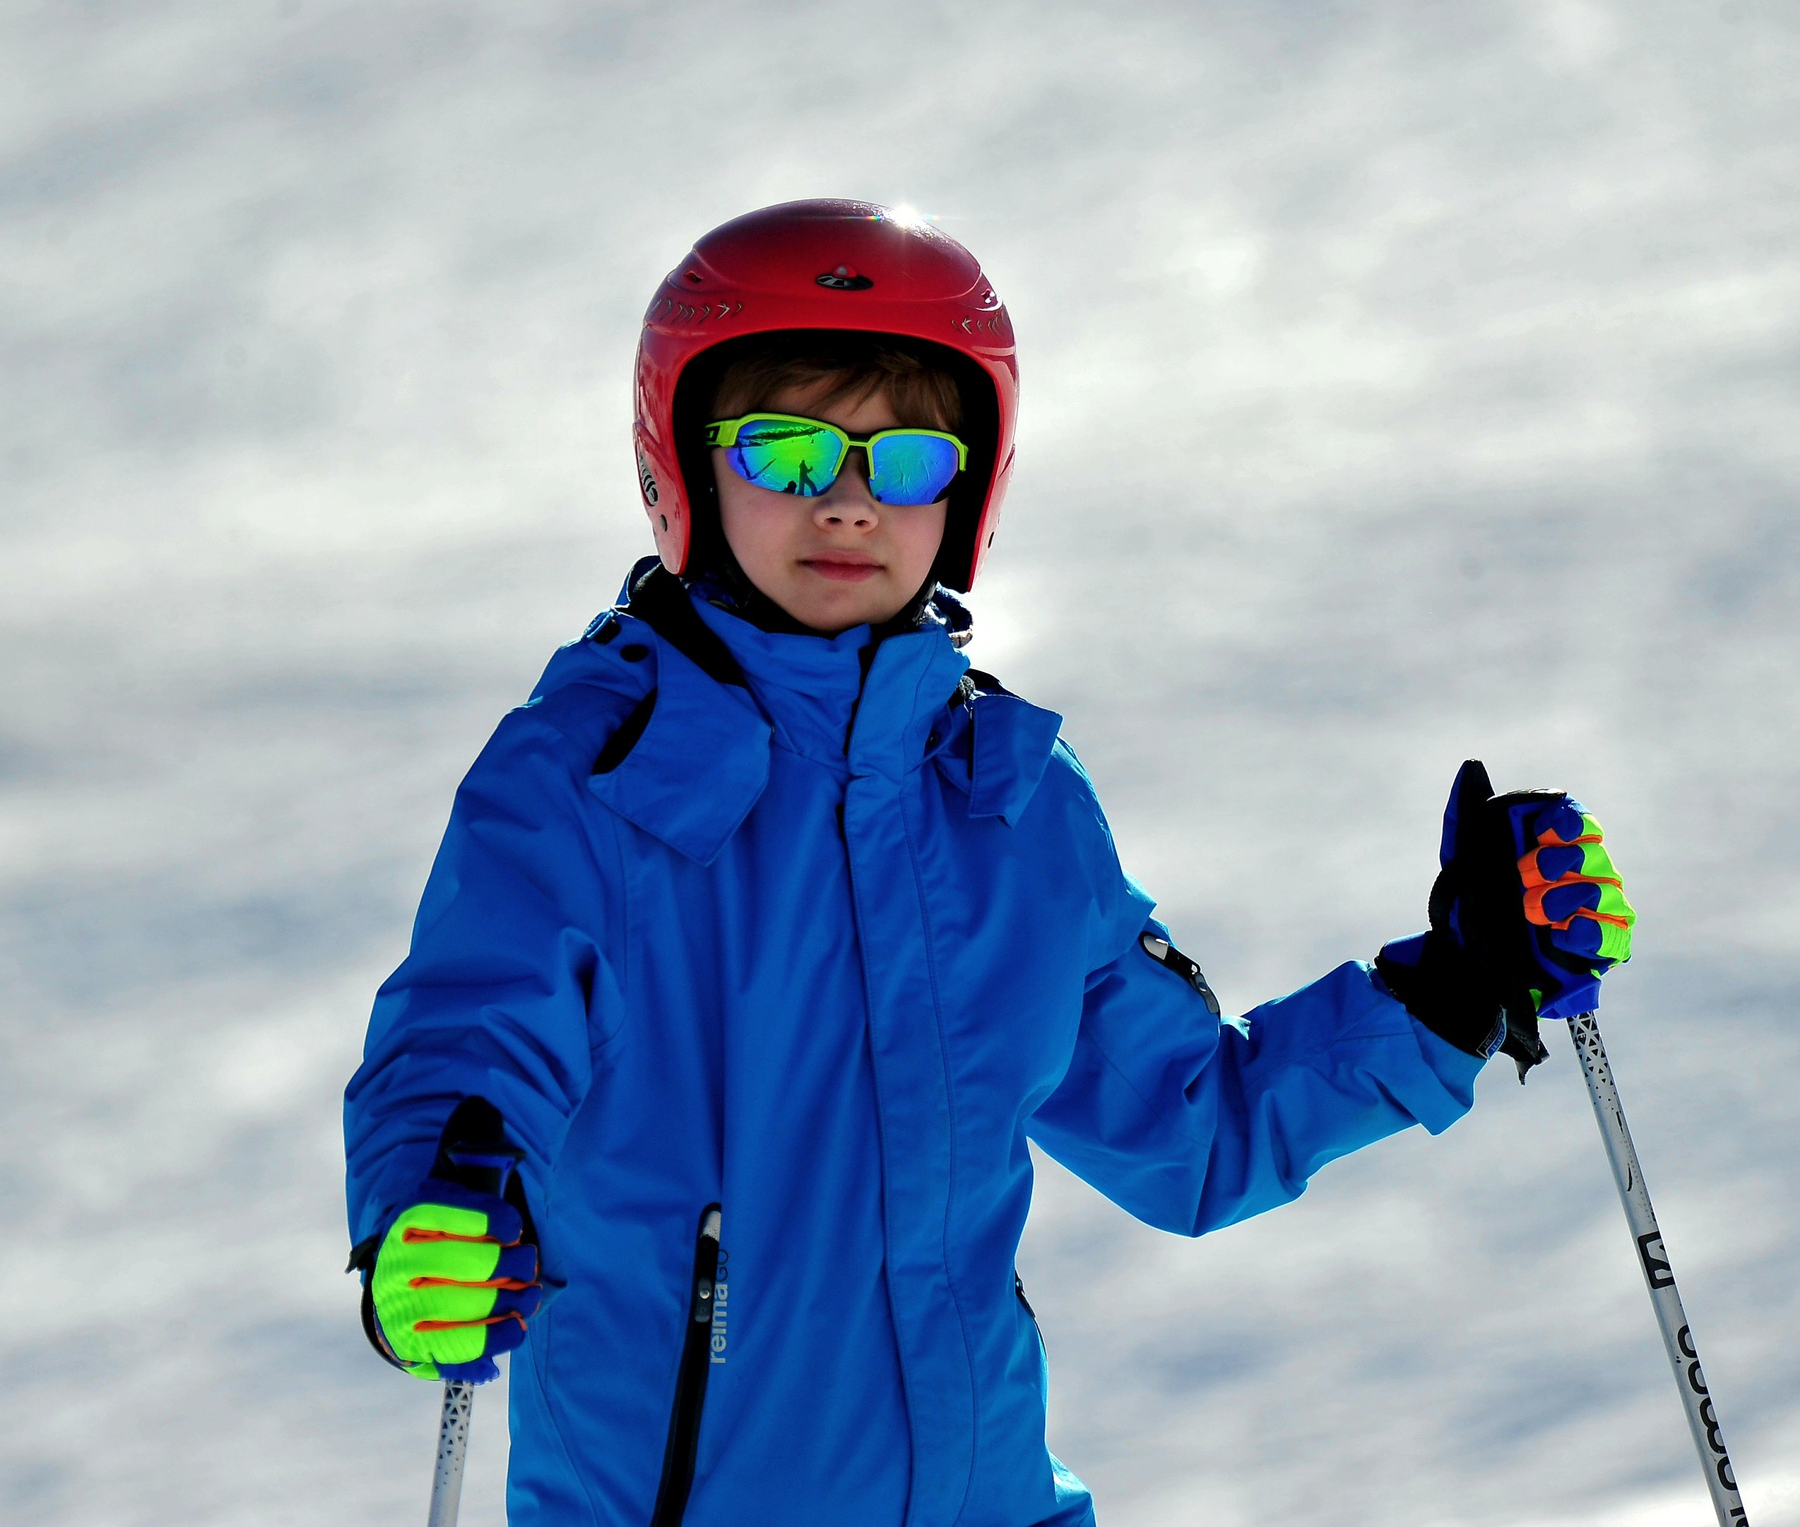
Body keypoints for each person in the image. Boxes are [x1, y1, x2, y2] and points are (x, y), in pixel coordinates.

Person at [341, 199, 1634, 1526]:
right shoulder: (588, 779)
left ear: (970, 490)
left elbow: (1194, 1130)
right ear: (679, 465)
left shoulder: (1005, 811)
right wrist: (424, 1221)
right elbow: (460, 1051)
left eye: (905, 460)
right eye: (785, 452)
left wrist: (1462, 983)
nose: (847, 503)